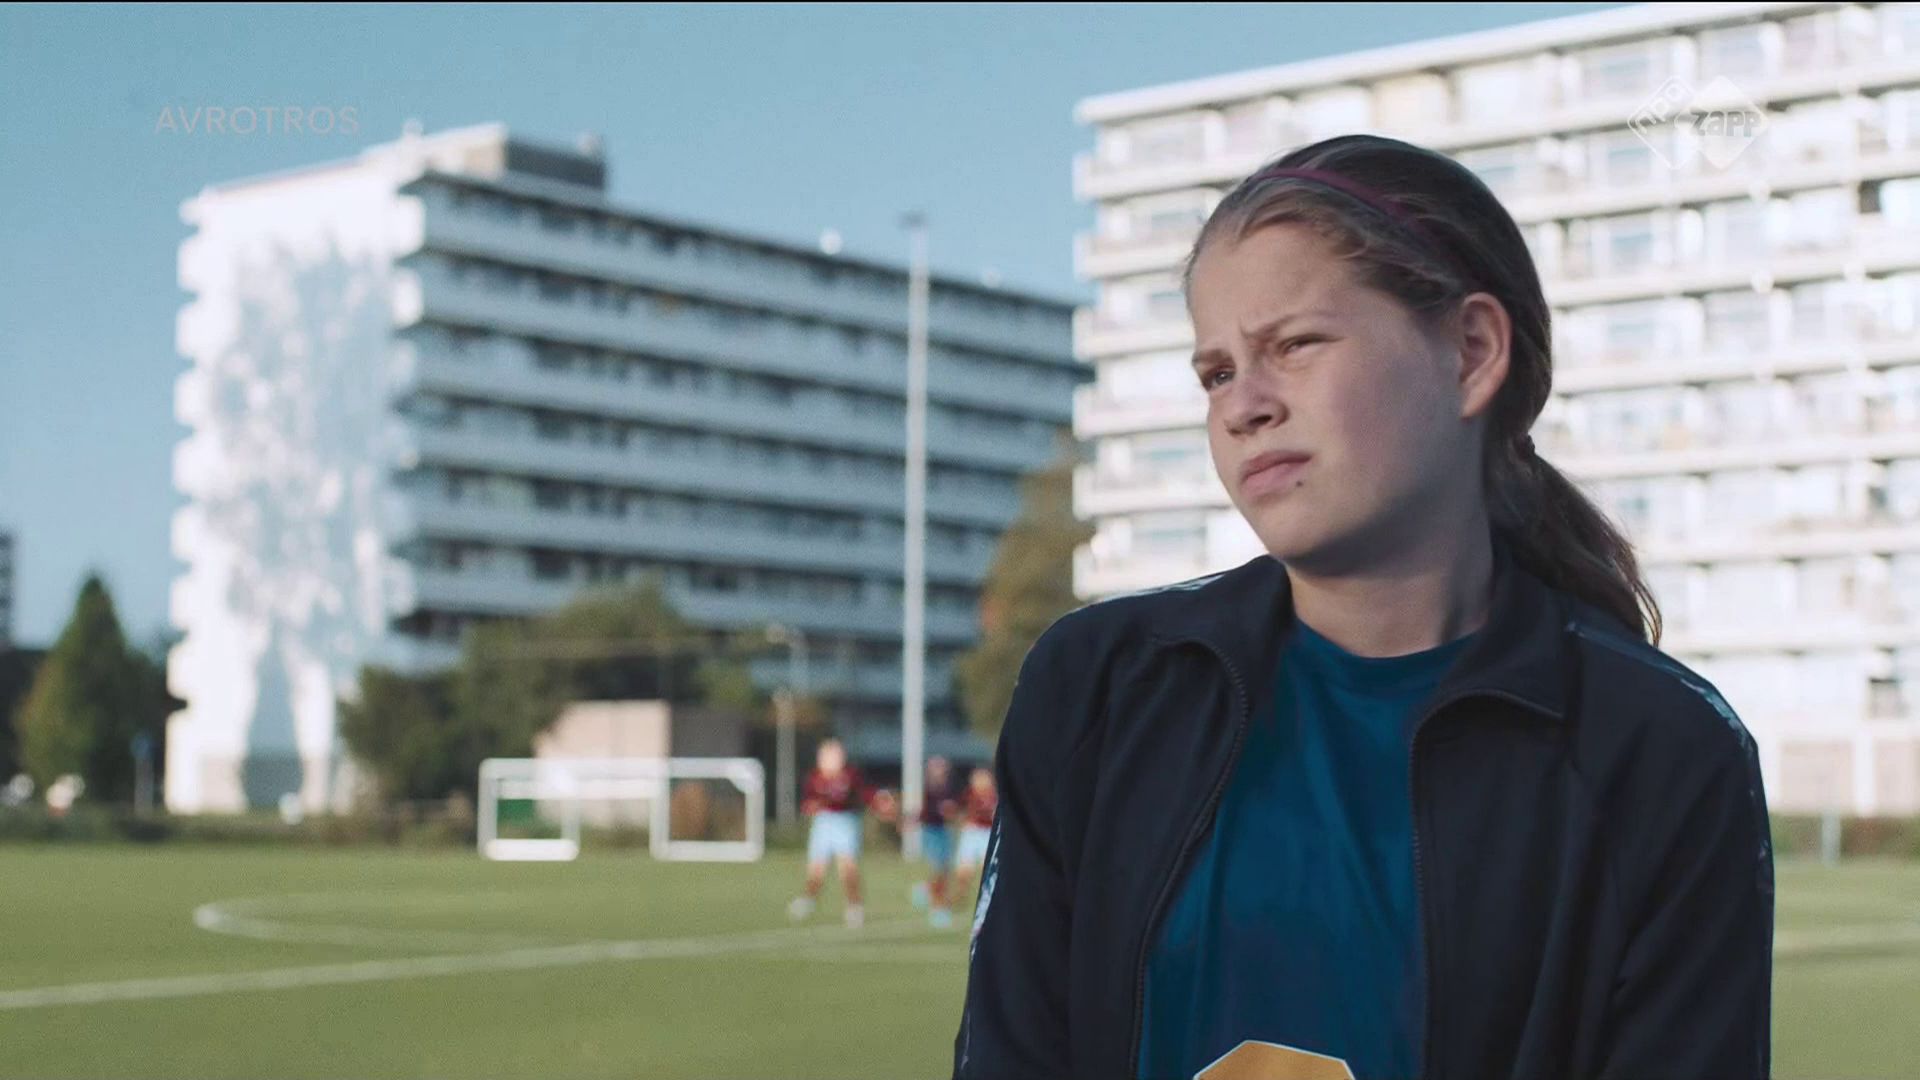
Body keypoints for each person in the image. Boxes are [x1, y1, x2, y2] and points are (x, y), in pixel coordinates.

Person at [952, 133, 1773, 1080]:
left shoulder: (1663, 748)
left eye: (1294, 345)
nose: (1243, 406)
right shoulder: (1099, 686)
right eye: (1217, 372)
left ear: (1470, 353)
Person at [787, 738, 893, 929]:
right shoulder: (814, 777)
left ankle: (854, 907)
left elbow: (865, 793)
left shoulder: (851, 775)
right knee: (816, 870)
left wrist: (880, 803)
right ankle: (808, 899)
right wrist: (811, 806)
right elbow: (807, 802)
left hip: (845, 822)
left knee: (848, 868)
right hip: (823, 822)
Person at [909, 756, 963, 928]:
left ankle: (924, 889)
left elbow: (956, 809)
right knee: (939, 869)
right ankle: (938, 909)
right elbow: (923, 811)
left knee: (945, 871)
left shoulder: (951, 789)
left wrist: (952, 813)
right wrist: (911, 821)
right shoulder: (927, 790)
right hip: (930, 832)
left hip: (944, 831)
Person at [950, 767, 996, 907]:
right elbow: (959, 810)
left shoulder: (994, 795)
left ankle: (988, 898)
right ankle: (959, 897)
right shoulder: (969, 794)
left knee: (987, 868)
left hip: (987, 832)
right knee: (964, 869)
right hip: (972, 831)